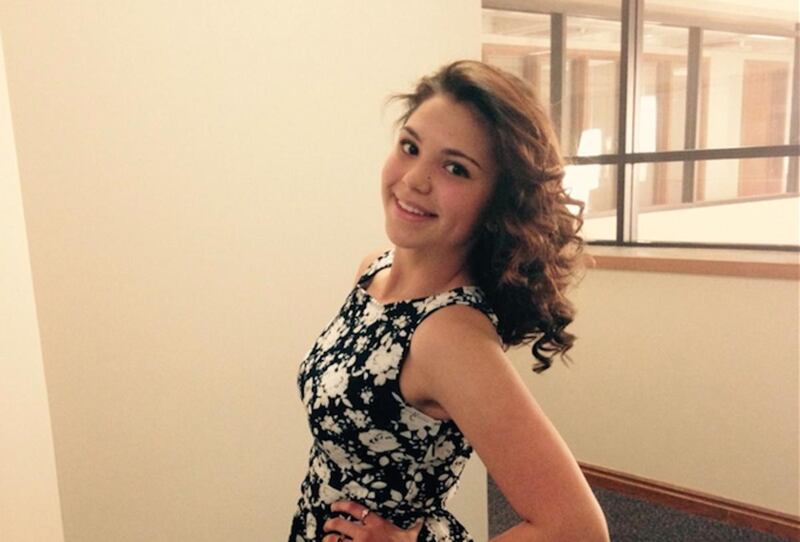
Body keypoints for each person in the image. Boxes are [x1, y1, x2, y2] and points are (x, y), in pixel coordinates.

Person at [288, 60, 609, 542]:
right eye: (410, 147)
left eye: (455, 168)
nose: (415, 179)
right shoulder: (374, 271)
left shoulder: (448, 334)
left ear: (496, 202)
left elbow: (577, 529)